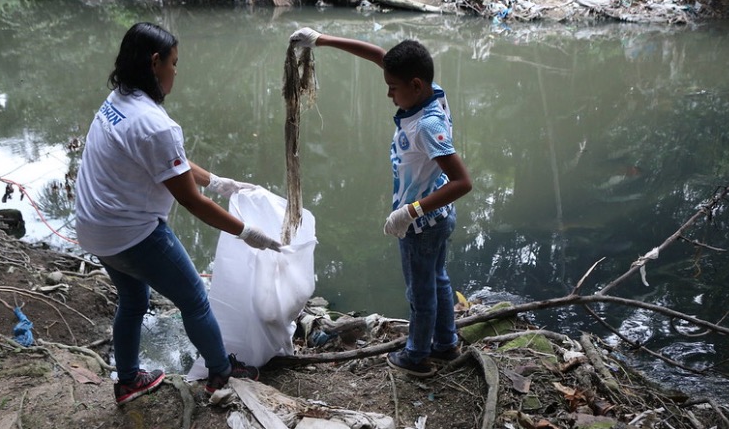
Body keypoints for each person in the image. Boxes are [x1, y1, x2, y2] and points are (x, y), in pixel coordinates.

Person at [75, 22, 282, 405]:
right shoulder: (156, 125)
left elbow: (171, 162)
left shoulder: (119, 101)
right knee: (194, 300)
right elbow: (191, 201)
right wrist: (247, 231)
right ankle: (221, 373)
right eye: (174, 62)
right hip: (131, 233)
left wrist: (217, 181)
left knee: (134, 301)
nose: (176, 71)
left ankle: (128, 381)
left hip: (93, 227)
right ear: (155, 63)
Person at [289, 27, 472, 377]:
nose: (388, 94)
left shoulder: (427, 125)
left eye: (393, 89)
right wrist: (323, 40)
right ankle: (446, 344)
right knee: (437, 280)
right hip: (438, 217)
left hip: (422, 222)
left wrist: (410, 212)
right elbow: (378, 55)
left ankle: (416, 356)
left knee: (420, 292)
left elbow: (463, 182)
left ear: (415, 85)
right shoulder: (430, 92)